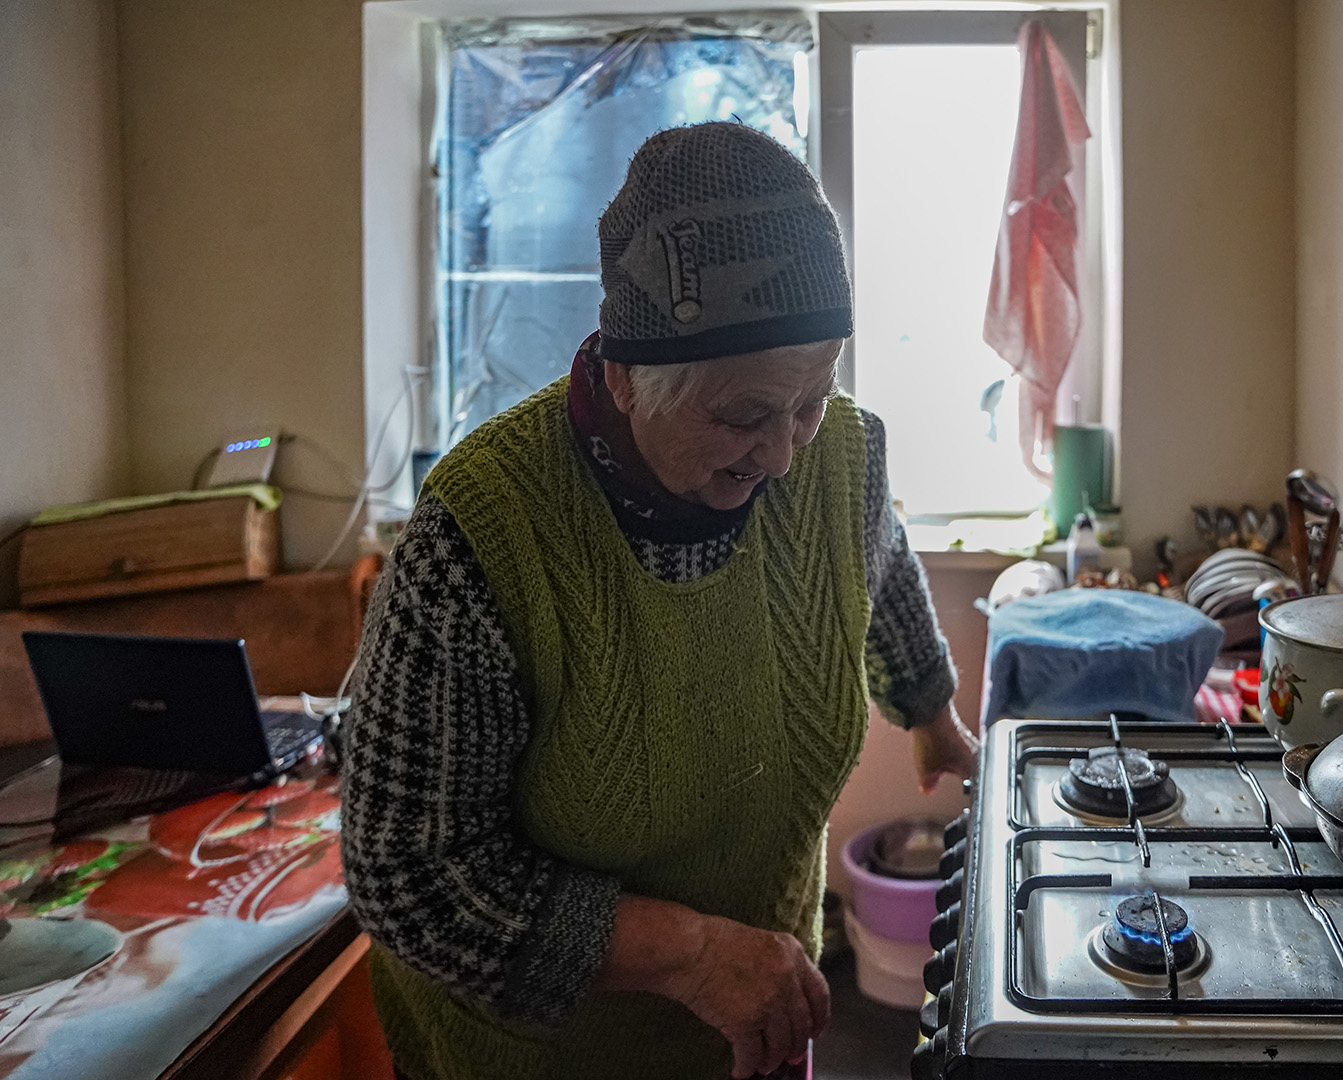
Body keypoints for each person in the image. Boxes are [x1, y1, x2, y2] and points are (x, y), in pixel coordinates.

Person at [340, 121, 979, 1080]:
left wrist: (932, 717)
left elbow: (878, 567)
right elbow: (410, 881)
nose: (785, 454)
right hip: (540, 1060)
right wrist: (691, 955)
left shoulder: (838, 456)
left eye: (810, 399)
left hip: (755, 1025)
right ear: (629, 380)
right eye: (745, 414)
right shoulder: (482, 534)